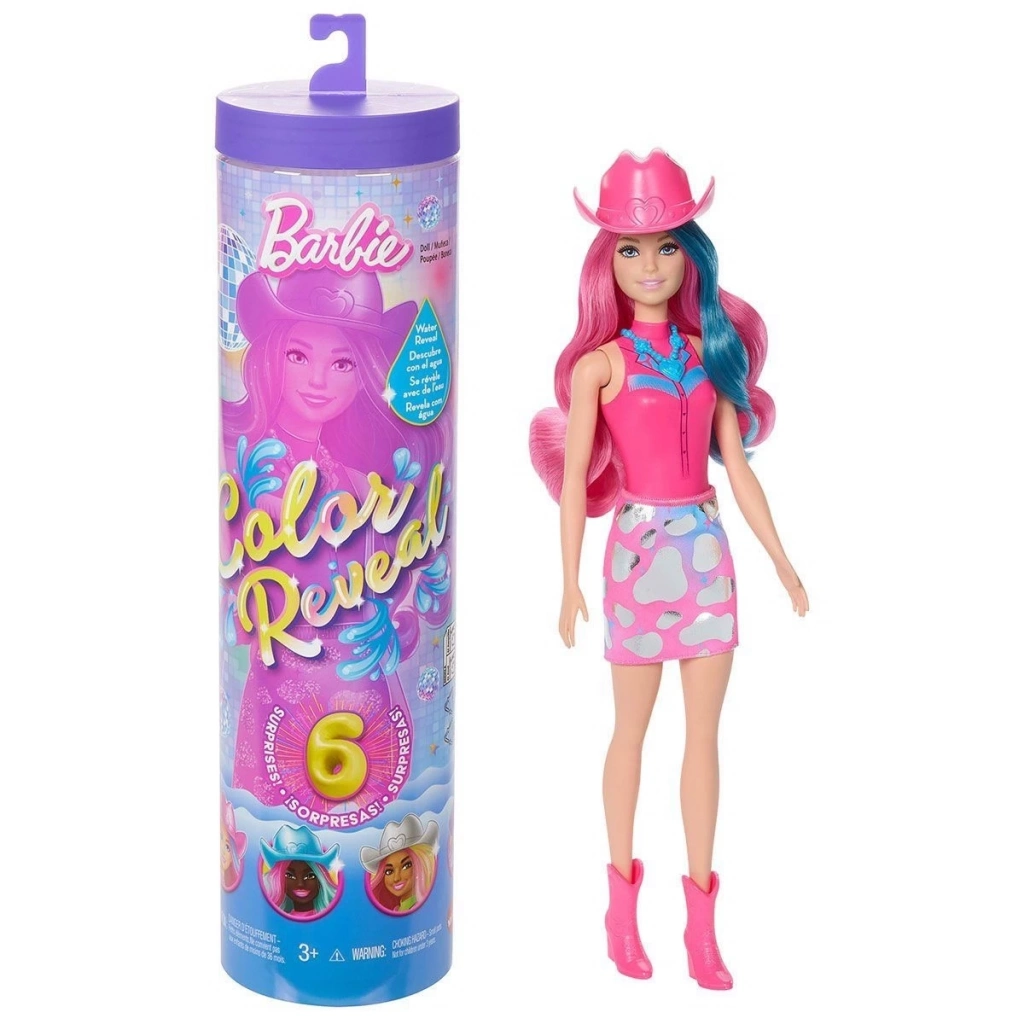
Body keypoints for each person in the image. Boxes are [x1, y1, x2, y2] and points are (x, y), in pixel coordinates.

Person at [529, 150, 808, 987]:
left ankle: (702, 928)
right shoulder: (600, 366)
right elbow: (574, 483)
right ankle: (620, 914)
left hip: (707, 553)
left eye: (665, 247)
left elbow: (738, 465)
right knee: (631, 732)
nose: (648, 265)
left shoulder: (707, 352)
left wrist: (783, 562)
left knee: (703, 738)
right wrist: (569, 579)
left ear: (691, 255)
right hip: (637, 550)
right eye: (629, 248)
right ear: (606, 259)